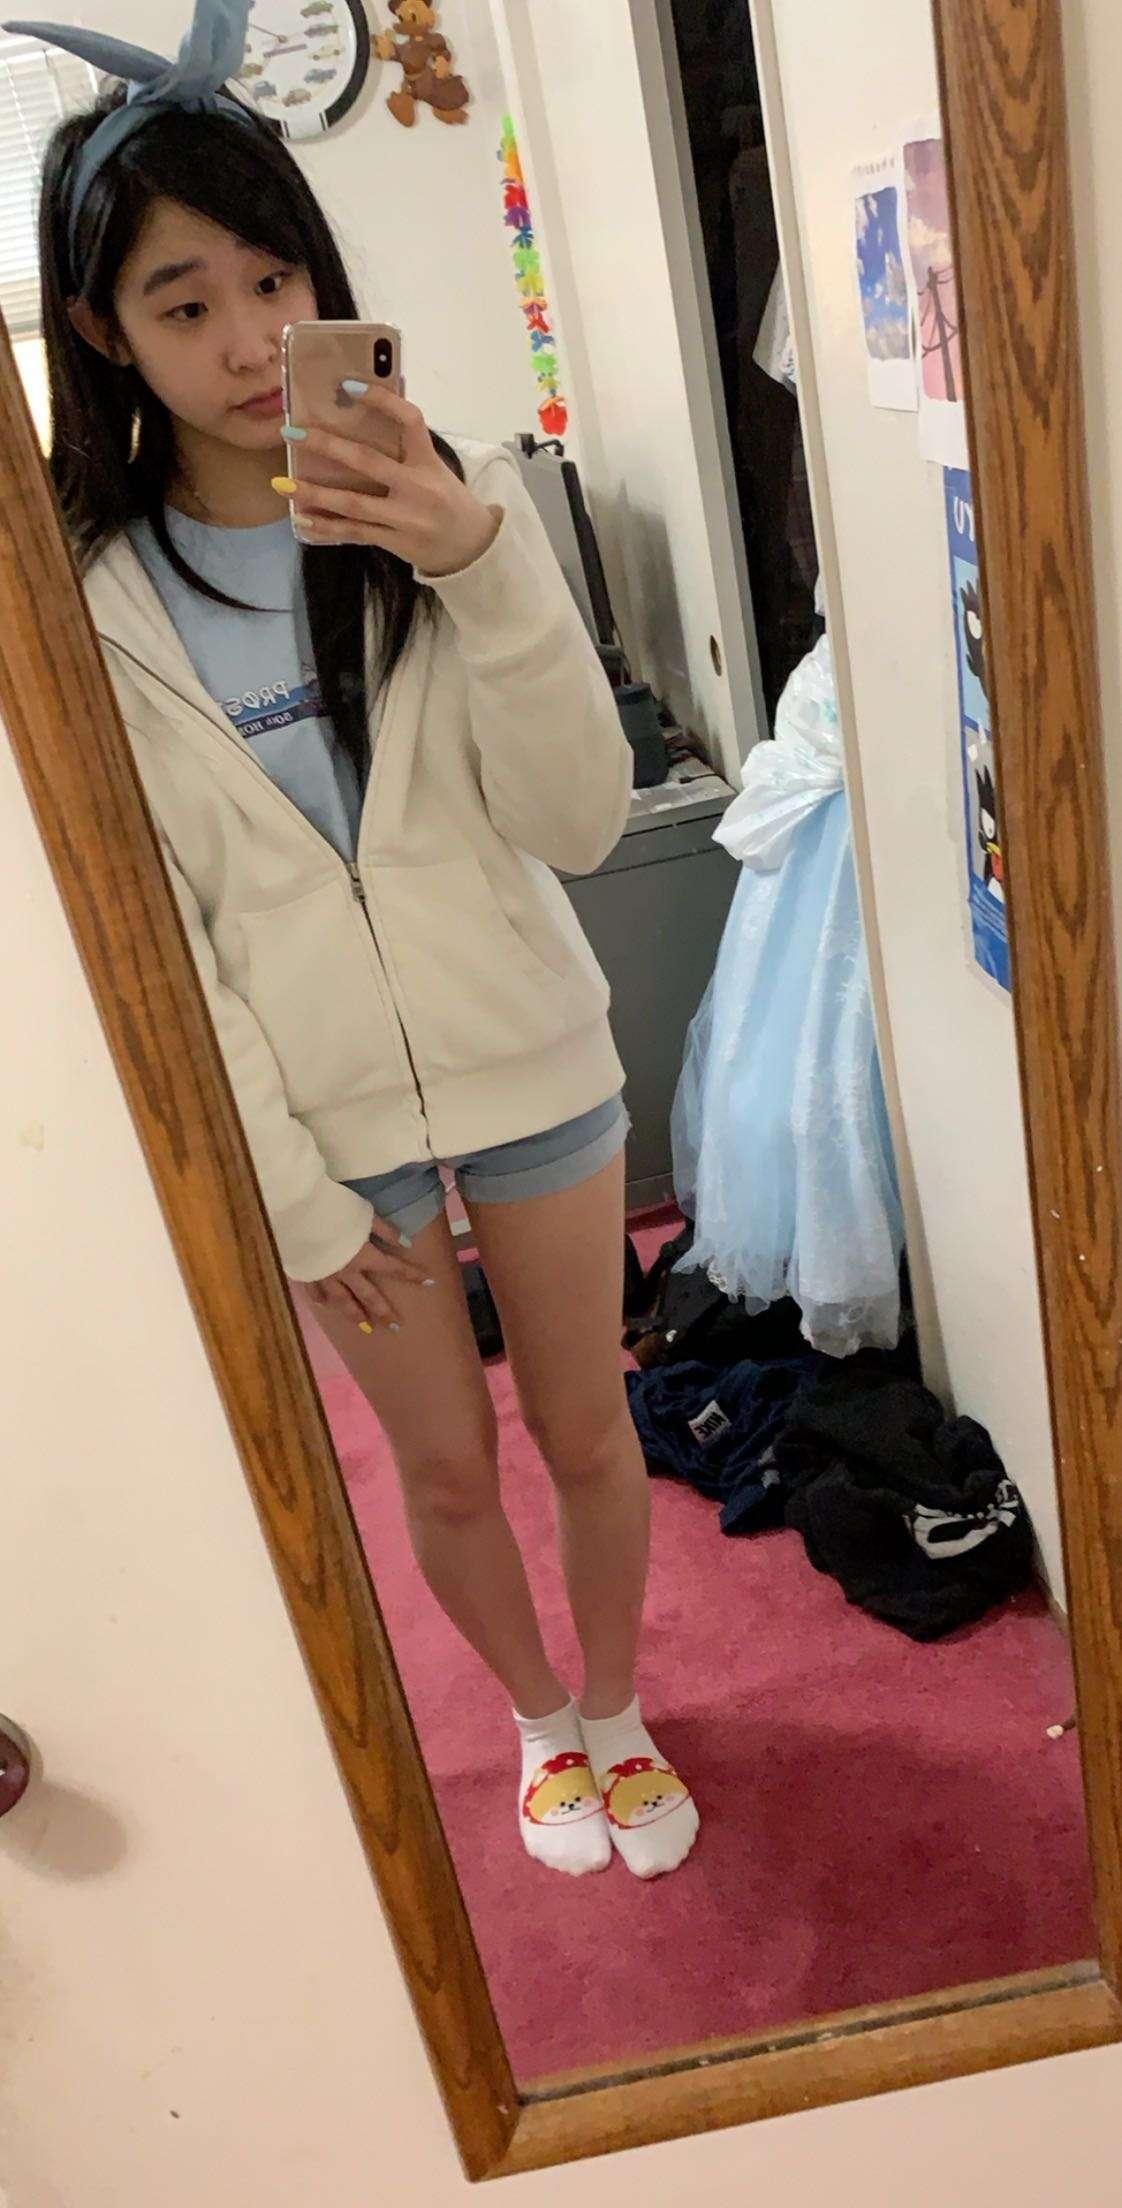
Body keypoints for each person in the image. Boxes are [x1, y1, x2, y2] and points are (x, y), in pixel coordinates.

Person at [20, 0, 699, 1881]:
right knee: (447, 1469)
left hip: (531, 1062)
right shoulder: (89, 604)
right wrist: (294, 1200)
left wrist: (478, 562)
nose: (250, 341)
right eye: (184, 303)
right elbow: (160, 939)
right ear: (104, 332)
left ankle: (621, 1704)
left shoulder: (442, 499)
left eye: (274, 280)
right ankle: (539, 1724)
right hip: (324, 1132)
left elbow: (577, 820)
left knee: (585, 1431)